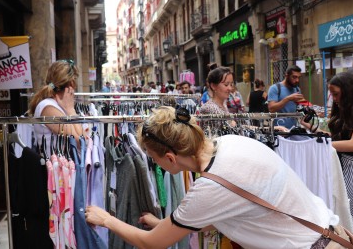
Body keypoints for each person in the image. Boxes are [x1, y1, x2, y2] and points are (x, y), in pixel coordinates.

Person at [85, 106, 339, 249]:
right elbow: (226, 211)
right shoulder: (232, 142)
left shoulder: (210, 185)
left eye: (153, 157)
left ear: (171, 158)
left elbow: (152, 244)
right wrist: (164, 224)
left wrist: (107, 219)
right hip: (330, 235)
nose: (153, 162)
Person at [326, 72, 353, 240]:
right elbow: (337, 139)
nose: (334, 98)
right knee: (335, 210)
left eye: (336, 94)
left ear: (348, 91)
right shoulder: (342, 112)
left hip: (349, 168)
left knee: (348, 211)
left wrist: (323, 145)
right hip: (333, 164)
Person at [28, 60, 83, 151]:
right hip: (56, 164)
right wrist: (70, 110)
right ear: (71, 84)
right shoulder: (48, 107)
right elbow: (81, 142)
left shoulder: (56, 105)